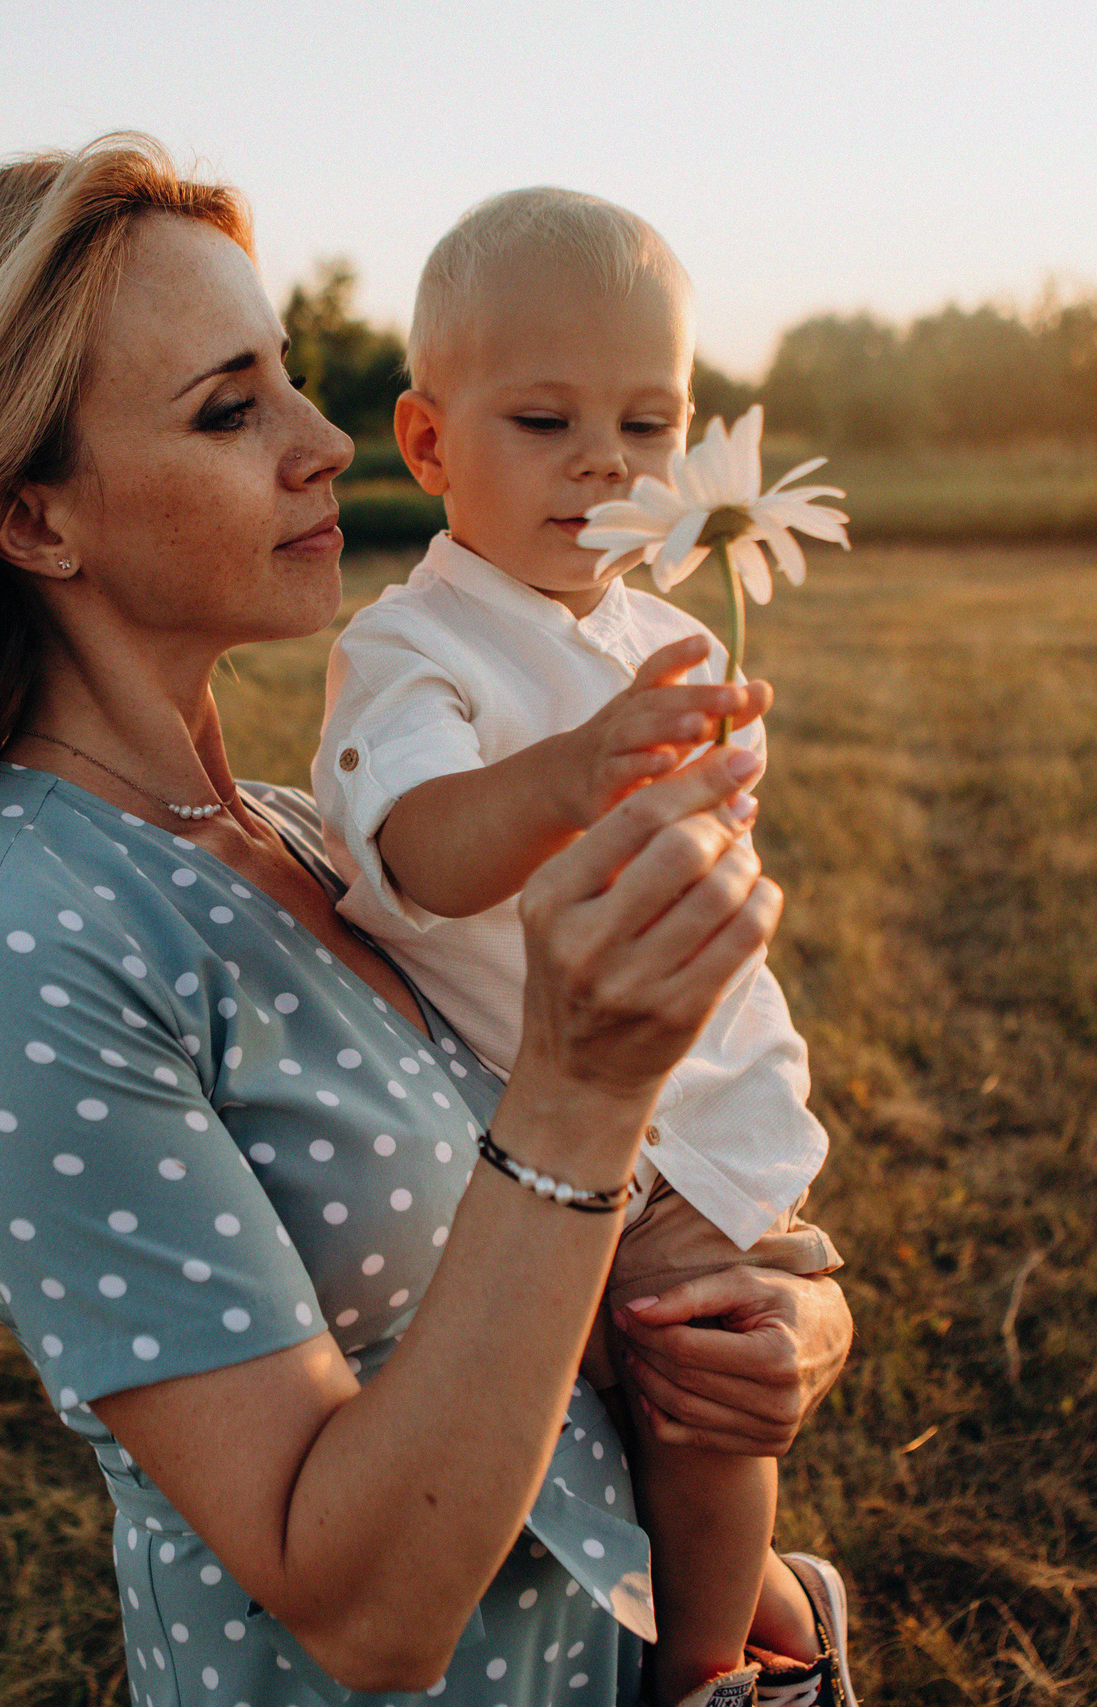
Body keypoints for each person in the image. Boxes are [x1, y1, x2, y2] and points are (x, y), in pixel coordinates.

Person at [0, 137, 853, 1707]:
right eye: (230, 409)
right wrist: (582, 1078)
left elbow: (567, 1260)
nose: (323, 442)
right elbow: (363, 1615)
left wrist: (785, 1317)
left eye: (290, 381)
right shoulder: (8, 944)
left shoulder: (307, 841)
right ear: (35, 522)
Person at [311, 188, 854, 1707]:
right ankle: (710, 1653)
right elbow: (416, 844)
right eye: (544, 420)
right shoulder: (415, 649)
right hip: (545, 1123)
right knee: (659, 1411)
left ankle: (713, 1658)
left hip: (692, 1102)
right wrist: (582, 772)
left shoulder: (641, 631)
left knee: (710, 1399)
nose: (609, 463)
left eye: (653, 424)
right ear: (428, 446)